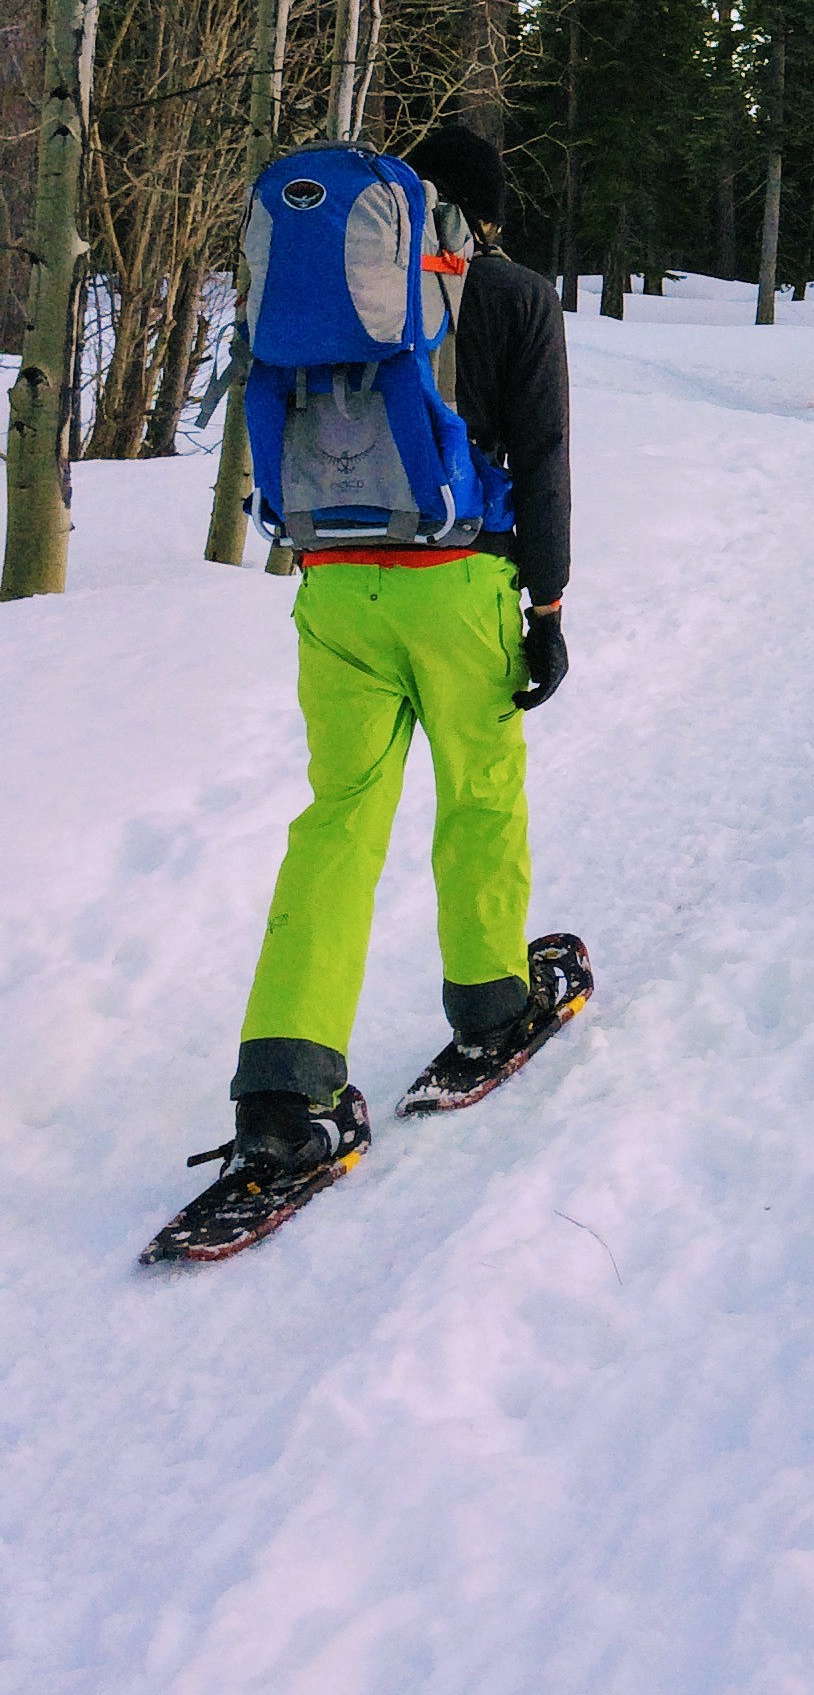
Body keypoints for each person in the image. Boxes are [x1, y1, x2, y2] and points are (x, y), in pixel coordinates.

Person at [208, 121, 575, 1205]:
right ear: (485, 207)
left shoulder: (339, 289)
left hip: (332, 584)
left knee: (338, 820)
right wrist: (545, 604)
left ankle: (284, 1088)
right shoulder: (509, 293)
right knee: (478, 794)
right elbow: (544, 456)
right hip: (457, 583)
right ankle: (493, 1004)